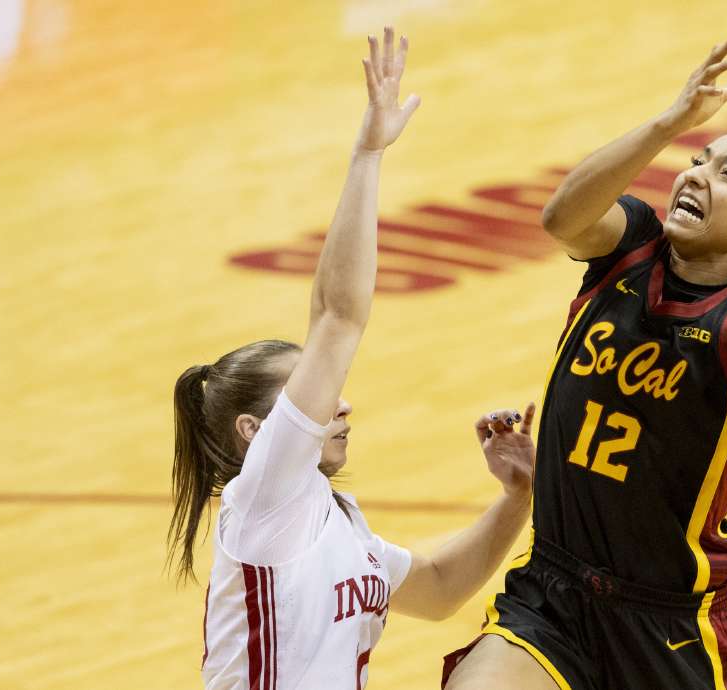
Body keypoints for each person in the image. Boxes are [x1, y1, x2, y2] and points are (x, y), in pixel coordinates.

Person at [442, 34, 727, 690]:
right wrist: (670, 121)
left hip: (667, 623)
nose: (697, 176)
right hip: (552, 592)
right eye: (699, 161)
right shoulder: (628, 250)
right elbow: (564, 219)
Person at [165, 29, 537, 690]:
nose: (340, 402)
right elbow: (336, 315)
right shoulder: (264, 499)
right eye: (310, 394)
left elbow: (442, 587)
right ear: (256, 430)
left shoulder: (338, 524)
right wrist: (367, 154)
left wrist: (517, 496)